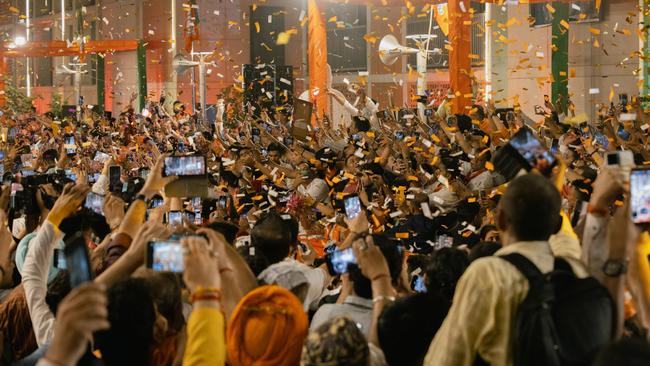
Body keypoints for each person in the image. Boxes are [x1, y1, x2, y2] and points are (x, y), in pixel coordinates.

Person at [424, 173, 588, 365]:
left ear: (500, 220)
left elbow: (445, 359)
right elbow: (564, 236)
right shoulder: (571, 263)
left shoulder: (487, 273)